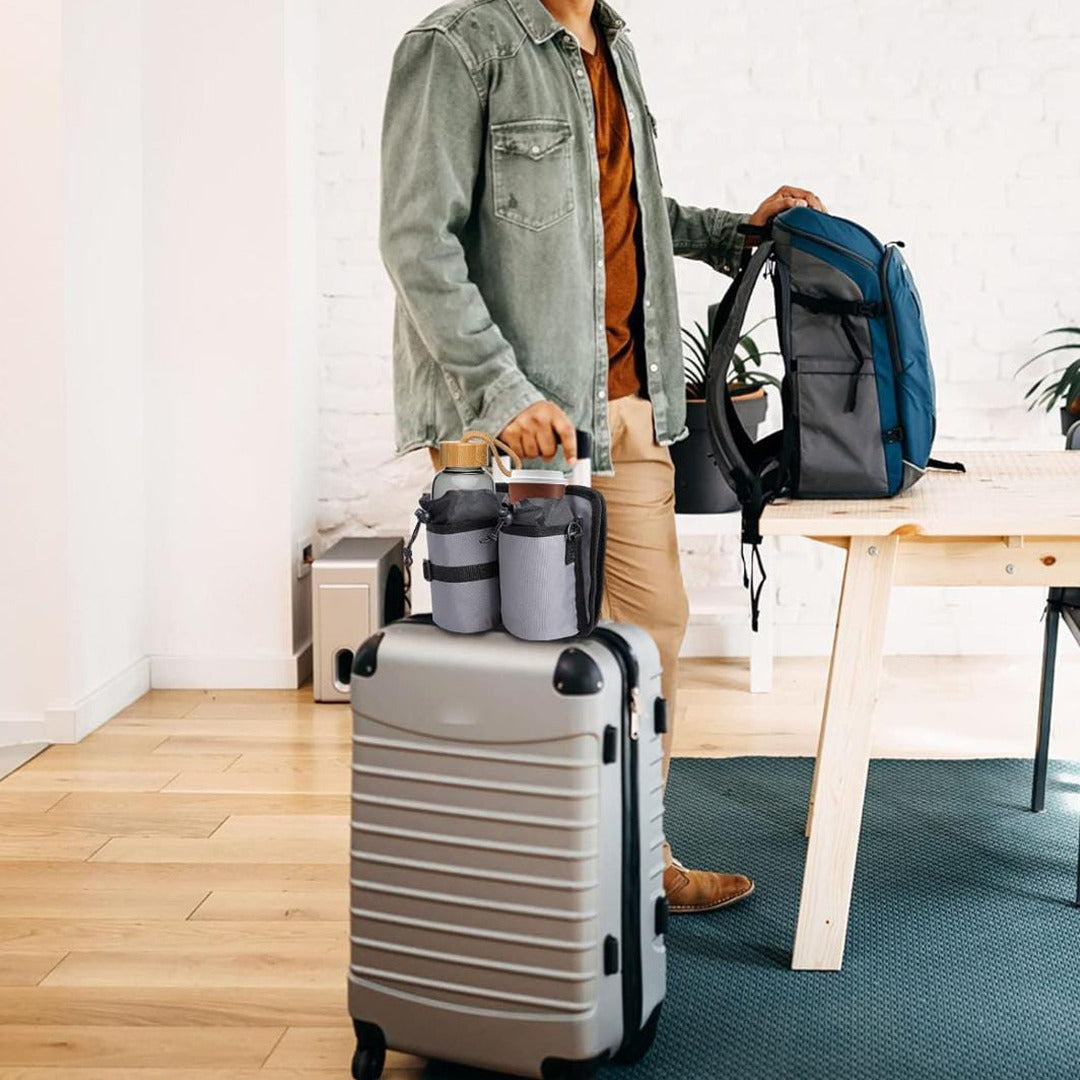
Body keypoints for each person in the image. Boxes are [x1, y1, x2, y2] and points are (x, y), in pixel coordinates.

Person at [380, 0, 825, 913]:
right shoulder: (457, 45)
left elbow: (619, 212)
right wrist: (504, 395)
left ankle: (635, 858)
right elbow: (416, 240)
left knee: (649, 639)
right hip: (514, 421)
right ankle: (523, 890)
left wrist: (732, 231)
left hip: (624, 401)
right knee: (525, 662)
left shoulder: (612, 49)